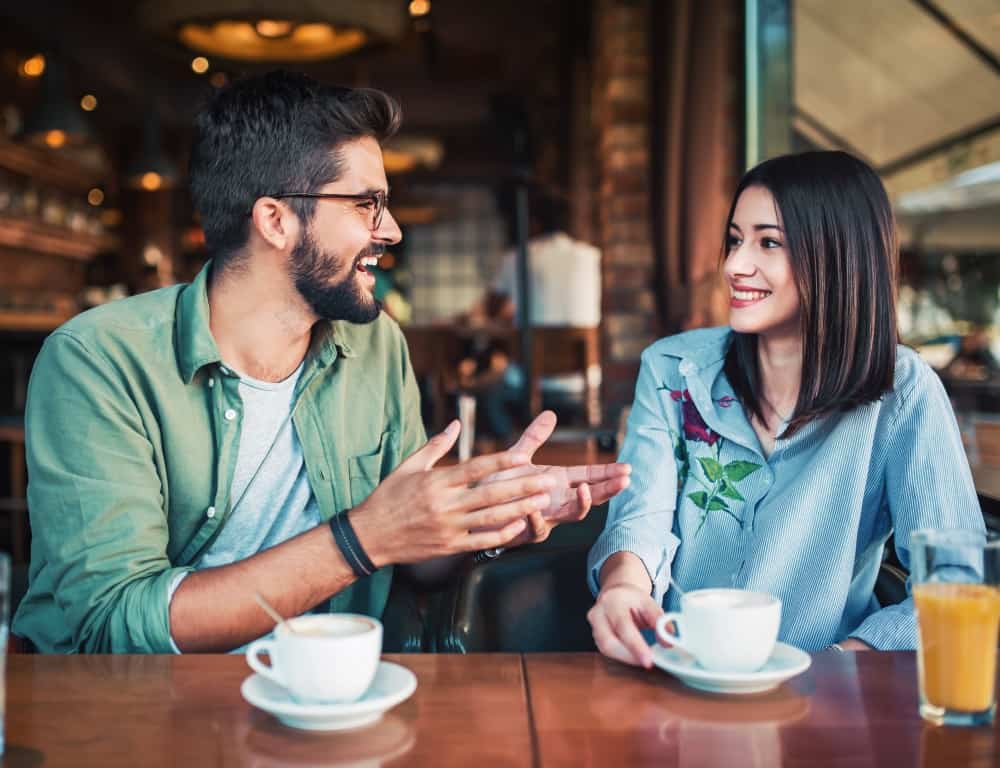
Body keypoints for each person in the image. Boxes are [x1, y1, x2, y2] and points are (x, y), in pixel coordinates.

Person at [13, 71, 631, 653]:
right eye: (366, 204)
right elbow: (111, 621)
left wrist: (482, 519)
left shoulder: (375, 345)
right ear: (276, 221)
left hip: (330, 697)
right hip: (140, 714)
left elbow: (407, 553)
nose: (390, 231)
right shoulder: (98, 361)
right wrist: (364, 537)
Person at [586, 150, 985, 667]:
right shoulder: (672, 369)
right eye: (734, 240)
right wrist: (622, 588)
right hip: (674, 681)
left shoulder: (903, 391)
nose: (733, 265)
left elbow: (956, 583)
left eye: (767, 242)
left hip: (830, 704)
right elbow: (642, 518)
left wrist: (839, 664)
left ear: (837, 256)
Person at [463, 195, 602, 440]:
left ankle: (511, 448)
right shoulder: (592, 257)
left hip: (527, 384)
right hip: (584, 380)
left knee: (483, 394)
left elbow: (491, 308)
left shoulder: (518, 257)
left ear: (533, 223)